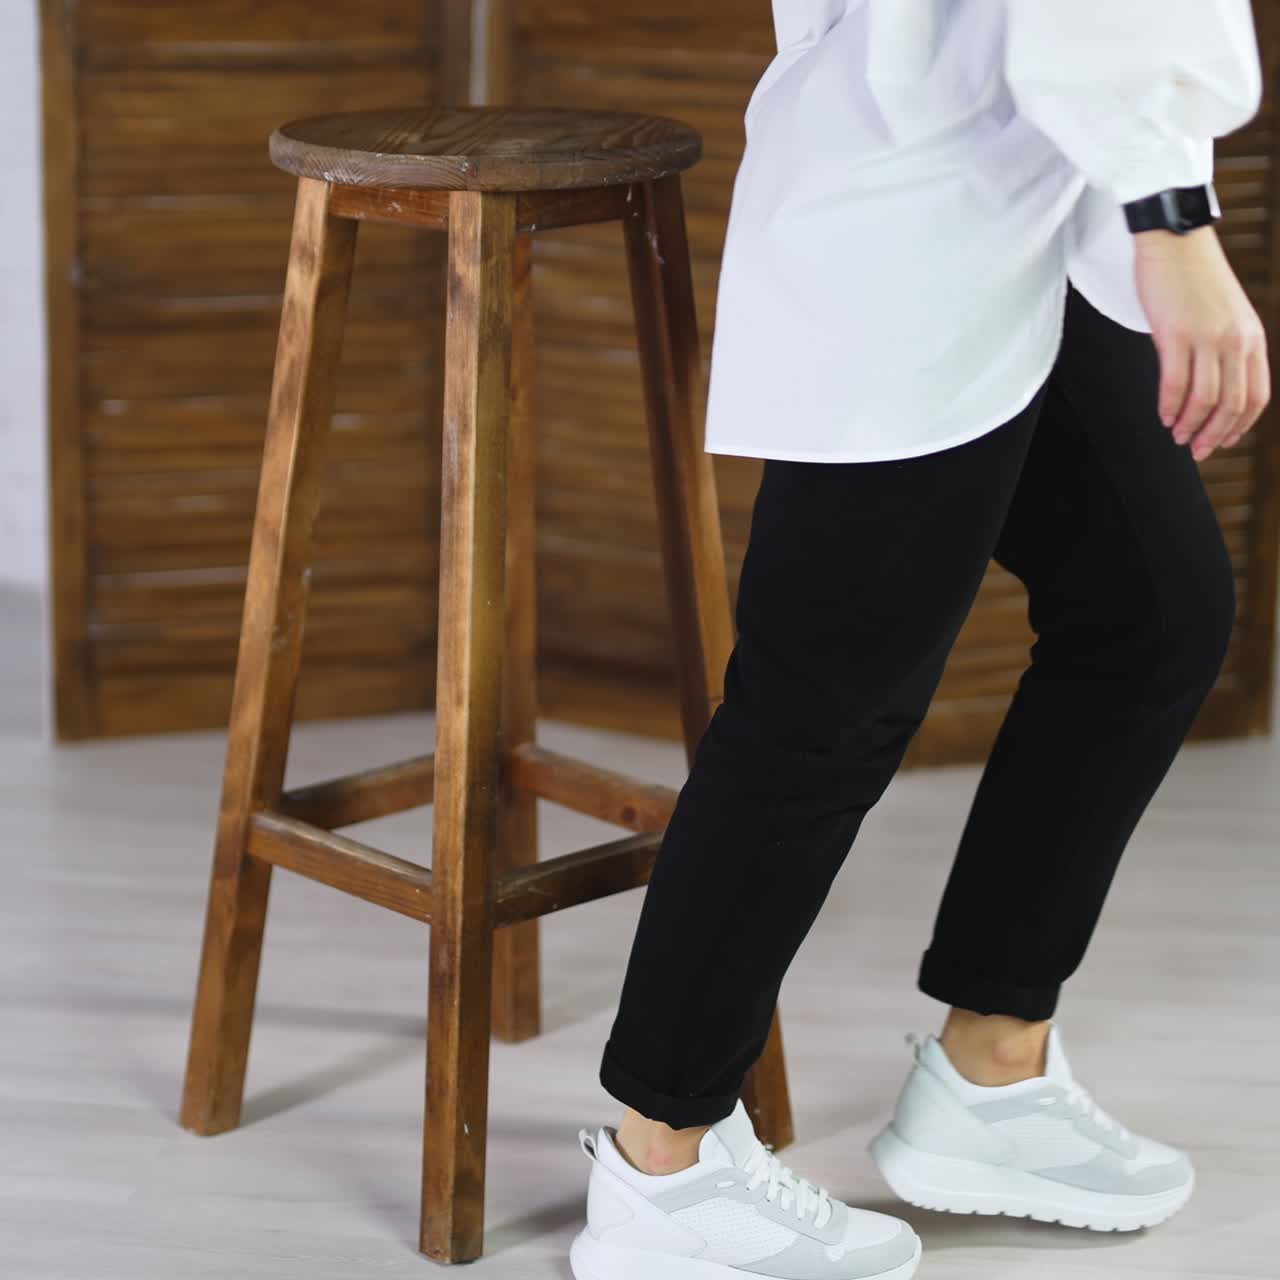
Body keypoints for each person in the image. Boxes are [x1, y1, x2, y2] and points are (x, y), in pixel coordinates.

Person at [569, 3, 1268, 1277]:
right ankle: (659, 1163)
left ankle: (989, 1071)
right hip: (930, 182)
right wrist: (1171, 215)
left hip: (1051, 190)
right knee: (823, 704)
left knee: (1150, 613)